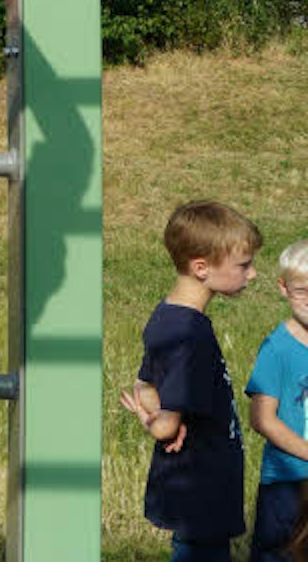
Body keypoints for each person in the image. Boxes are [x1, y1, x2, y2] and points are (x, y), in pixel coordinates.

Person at [121, 201, 262, 562]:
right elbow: (165, 428)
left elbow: (144, 382)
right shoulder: (190, 335)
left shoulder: (167, 315)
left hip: (196, 485)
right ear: (201, 268)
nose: (252, 274)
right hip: (203, 485)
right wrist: (155, 420)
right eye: (243, 265)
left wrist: (158, 406)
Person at [251, 240, 308, 562]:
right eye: (302, 290)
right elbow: (262, 419)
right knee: (279, 555)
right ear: (283, 288)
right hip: (288, 480)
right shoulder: (277, 348)